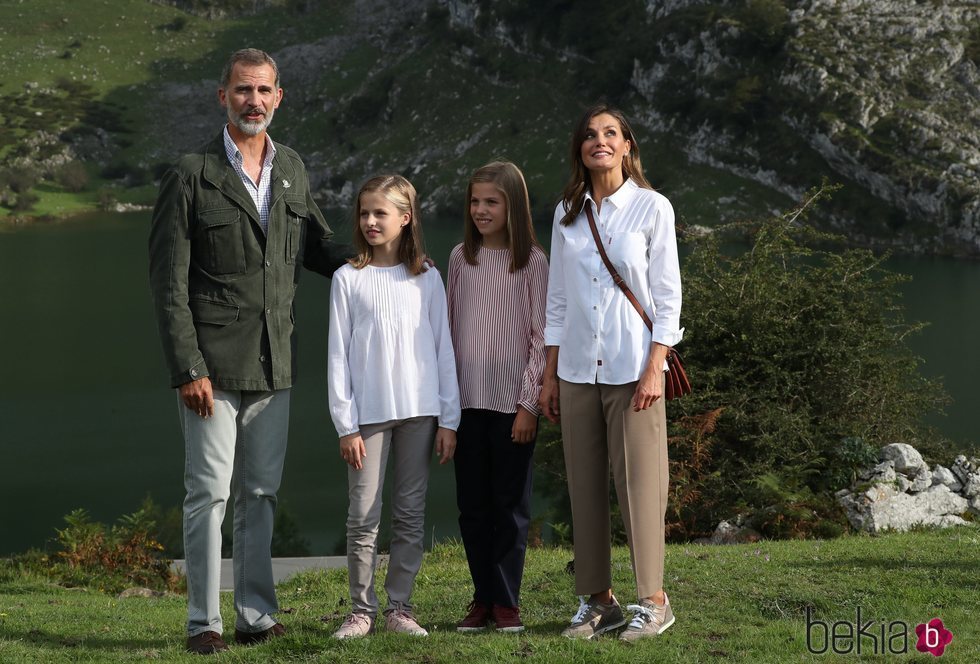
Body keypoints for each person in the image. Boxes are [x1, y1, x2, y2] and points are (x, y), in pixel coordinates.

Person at [148, 48, 350, 655]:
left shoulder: (291, 167)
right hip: (210, 365)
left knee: (260, 493)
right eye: (242, 91)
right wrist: (187, 367)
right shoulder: (191, 172)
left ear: (279, 97)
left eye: (264, 90)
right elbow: (168, 283)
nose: (253, 101)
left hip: (275, 360)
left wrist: (382, 262)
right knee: (208, 493)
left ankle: (255, 616)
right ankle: (202, 623)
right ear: (222, 97)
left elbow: (316, 248)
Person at [538, 104, 684, 642]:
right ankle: (599, 601)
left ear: (627, 146)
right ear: (580, 149)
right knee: (584, 487)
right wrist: (550, 374)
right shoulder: (565, 213)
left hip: (632, 368)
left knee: (642, 486)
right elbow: (557, 299)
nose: (600, 141)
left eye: (611, 134)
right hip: (577, 368)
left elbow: (668, 298)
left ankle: (654, 600)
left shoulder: (652, 208)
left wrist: (656, 366)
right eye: (590, 135)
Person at [328, 174, 460, 639]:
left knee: (409, 513)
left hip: (420, 414)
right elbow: (337, 356)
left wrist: (449, 419)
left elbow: (444, 350)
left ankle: (399, 608)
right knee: (362, 514)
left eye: (380, 213)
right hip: (367, 417)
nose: (369, 221)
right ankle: (360, 610)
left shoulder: (427, 277)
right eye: (364, 213)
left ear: (405, 218)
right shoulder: (348, 278)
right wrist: (346, 425)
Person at [447, 161, 548, 634]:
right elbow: (445, 333)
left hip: (513, 408)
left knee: (510, 506)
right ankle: (481, 598)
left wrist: (529, 404)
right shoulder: (459, 260)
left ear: (514, 206)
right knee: (473, 508)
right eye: (475, 201)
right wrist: (447, 407)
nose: (481, 210)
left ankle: (507, 601)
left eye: (492, 202)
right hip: (467, 405)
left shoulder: (532, 263)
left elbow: (540, 337)